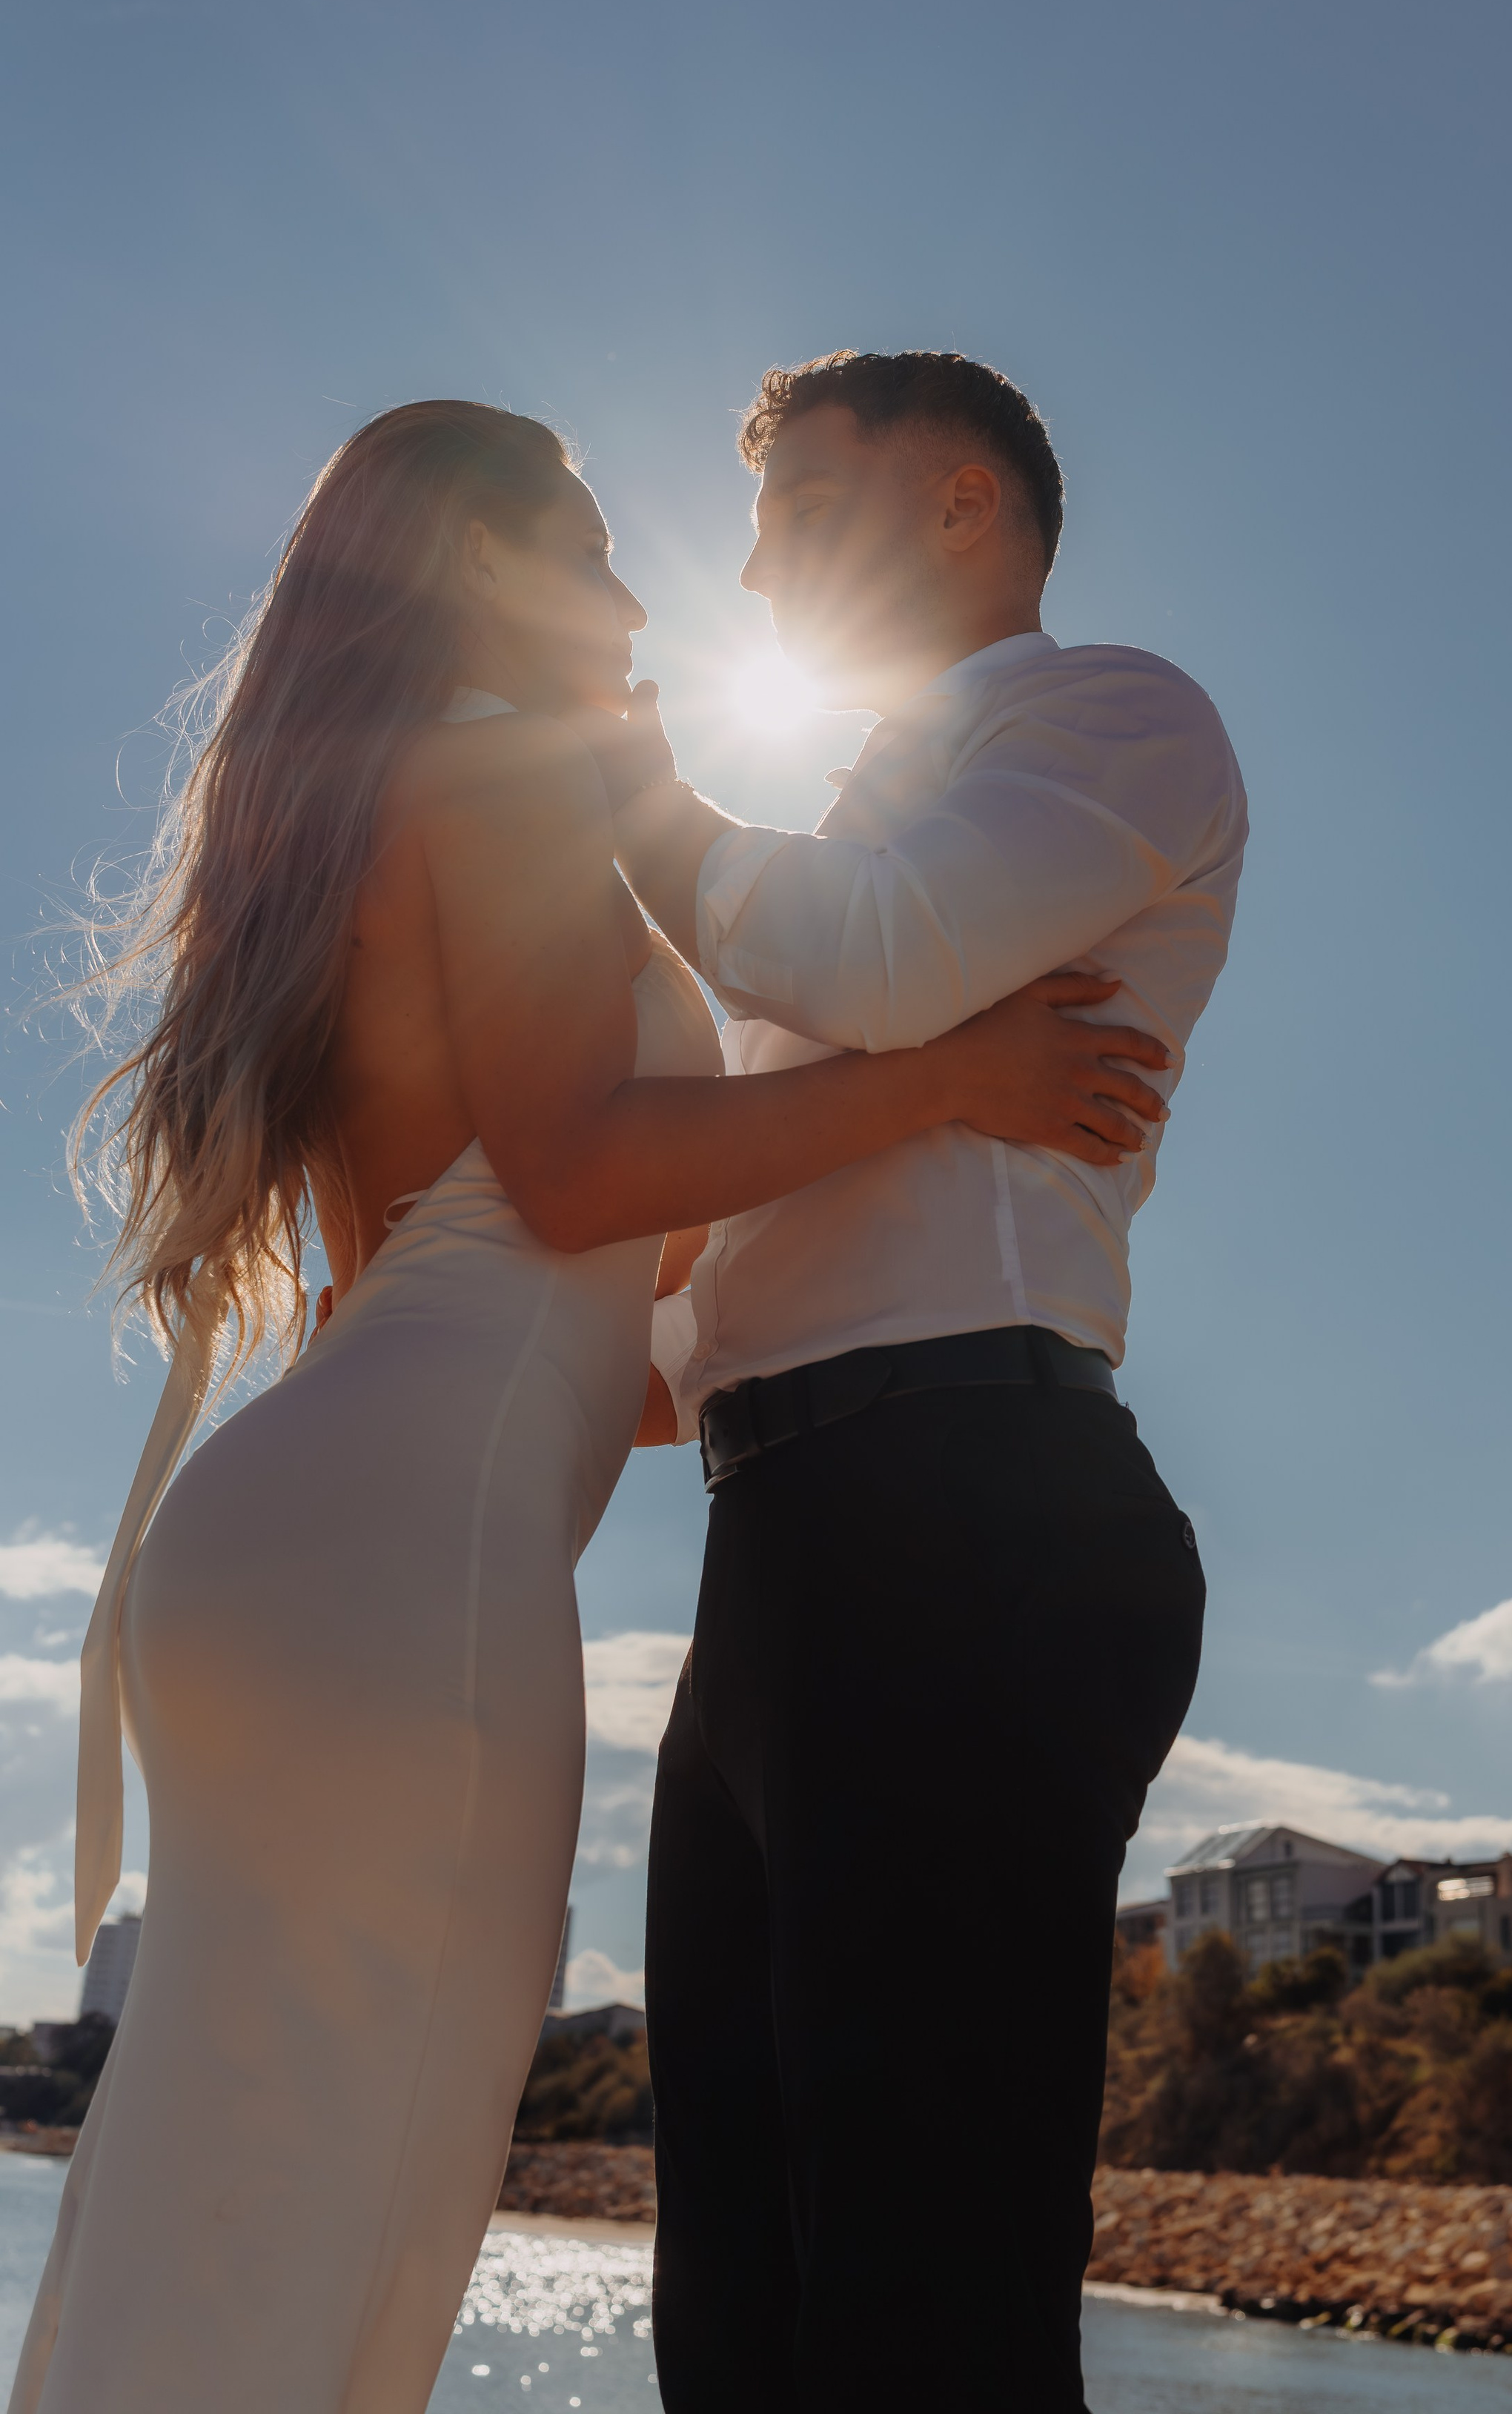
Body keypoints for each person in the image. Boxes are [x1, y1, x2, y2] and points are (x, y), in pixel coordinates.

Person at [10, 398, 1170, 2414]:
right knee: (353, 2190)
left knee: (216, 2168)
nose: (648, 599)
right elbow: (574, 1171)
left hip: (286, 1526)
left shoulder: (356, 809)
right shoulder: (507, 779)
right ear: (487, 575)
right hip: (410, 1574)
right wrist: (947, 1084)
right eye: (599, 550)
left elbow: (530, 1304)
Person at [596, 350, 1248, 2413]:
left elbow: (878, 953)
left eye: (799, 503)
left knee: (921, 2306)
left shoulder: (1112, 716)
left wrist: (620, 788)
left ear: (965, 500)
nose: (760, 559)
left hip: (975, 1504)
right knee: (739, 2307)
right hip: (779, 1545)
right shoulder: (852, 844)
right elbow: (723, 1295)